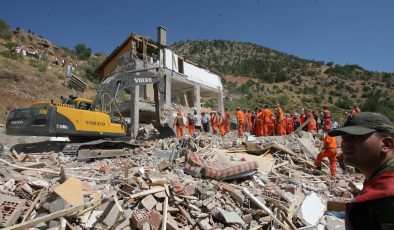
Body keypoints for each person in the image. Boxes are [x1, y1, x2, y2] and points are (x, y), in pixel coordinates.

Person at [328, 112, 394, 229]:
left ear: (386, 144)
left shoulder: (383, 198)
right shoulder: (377, 180)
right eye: (344, 137)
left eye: (355, 137)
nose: (345, 143)